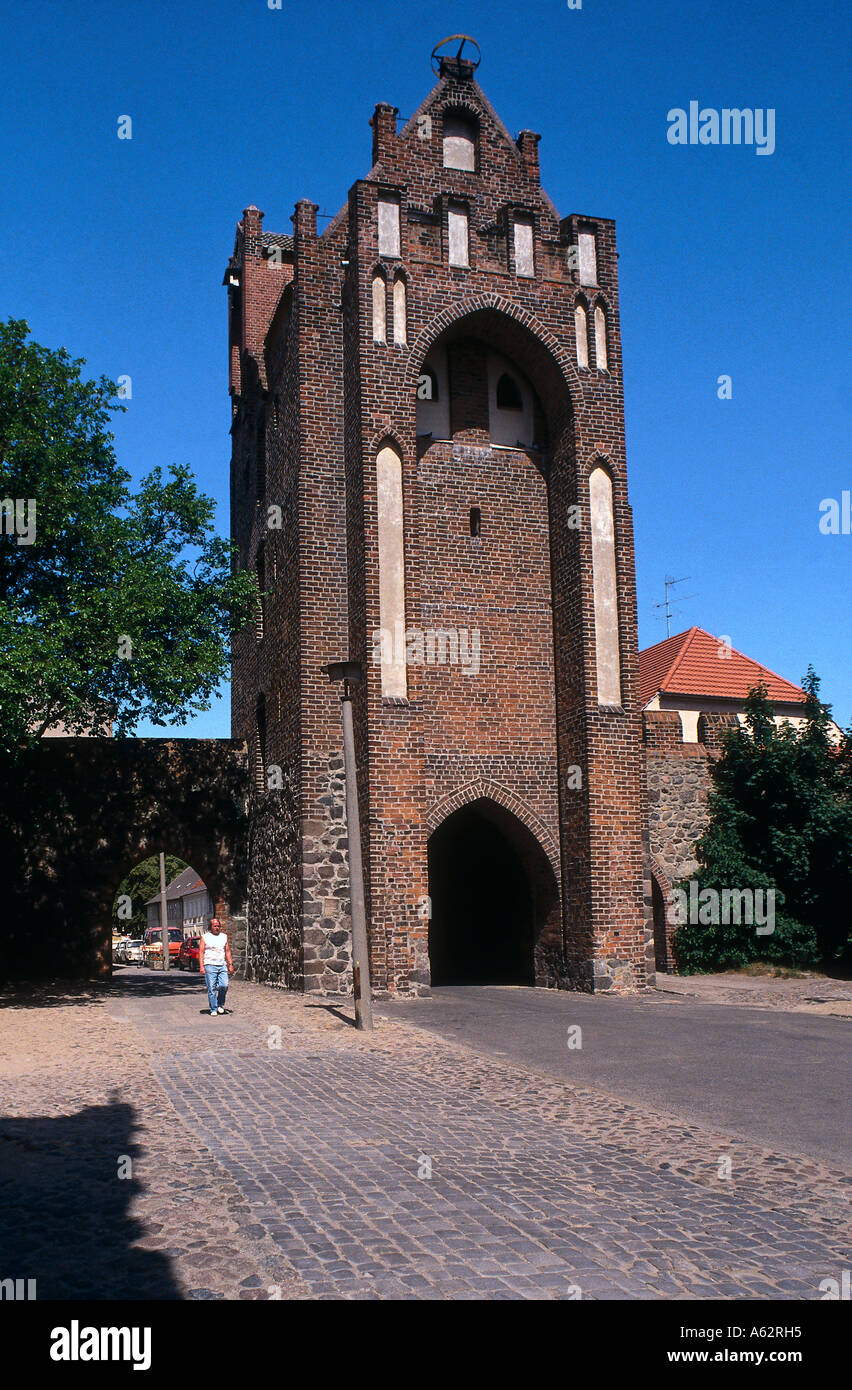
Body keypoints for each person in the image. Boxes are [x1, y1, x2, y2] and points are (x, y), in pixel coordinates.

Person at [198, 917, 234, 1016]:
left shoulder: (224, 937)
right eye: (215, 926)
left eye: (218, 926)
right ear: (211, 927)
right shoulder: (205, 937)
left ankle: (220, 1005)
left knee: (224, 985)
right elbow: (201, 952)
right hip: (209, 965)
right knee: (212, 988)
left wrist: (230, 964)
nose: (217, 928)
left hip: (222, 965)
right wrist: (201, 966)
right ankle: (213, 1008)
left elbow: (227, 951)